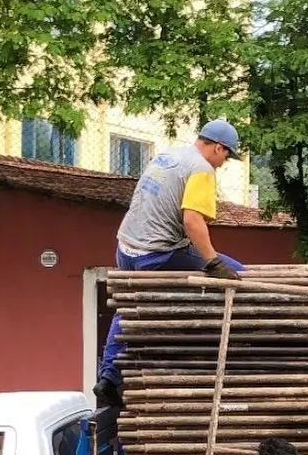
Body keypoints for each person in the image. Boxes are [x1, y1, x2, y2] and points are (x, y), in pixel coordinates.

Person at [93, 119, 246, 408]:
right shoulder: (202, 169)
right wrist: (212, 262)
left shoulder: (169, 154)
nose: (225, 162)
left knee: (126, 308)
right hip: (157, 254)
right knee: (239, 274)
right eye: (227, 155)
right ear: (217, 147)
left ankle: (109, 377)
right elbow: (192, 220)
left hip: (126, 248)